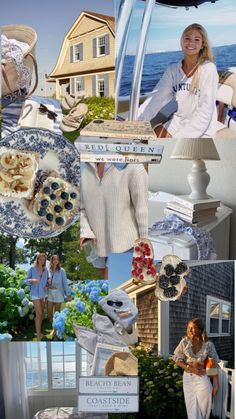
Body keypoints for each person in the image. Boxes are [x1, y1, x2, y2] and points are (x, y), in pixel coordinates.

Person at [138, 23, 218, 138]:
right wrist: (135, 122)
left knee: (170, 151)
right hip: (178, 121)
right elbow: (156, 99)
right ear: (181, 41)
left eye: (196, 39)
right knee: (149, 141)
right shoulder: (172, 70)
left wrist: (178, 139)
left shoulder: (208, 69)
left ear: (202, 44)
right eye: (187, 38)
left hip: (202, 129)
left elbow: (205, 113)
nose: (191, 43)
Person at [80, 163, 148, 279]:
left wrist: (146, 251)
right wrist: (85, 230)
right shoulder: (86, 170)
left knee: (113, 289)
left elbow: (143, 209)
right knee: (108, 289)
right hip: (97, 247)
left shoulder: (134, 167)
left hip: (126, 246)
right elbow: (81, 208)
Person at [173, 318, 220, 419]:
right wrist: (191, 369)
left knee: (204, 408)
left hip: (202, 378)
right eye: (189, 327)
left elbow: (214, 362)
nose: (190, 330)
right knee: (191, 409)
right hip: (188, 378)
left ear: (200, 329)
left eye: (193, 328)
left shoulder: (208, 344)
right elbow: (177, 359)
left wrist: (216, 383)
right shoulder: (184, 342)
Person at [26, 253, 48, 341]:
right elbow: (26, 280)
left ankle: (39, 331)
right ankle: (38, 335)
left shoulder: (45, 270)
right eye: (41, 259)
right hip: (35, 294)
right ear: (37, 259)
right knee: (39, 314)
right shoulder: (32, 269)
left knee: (41, 314)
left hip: (43, 293)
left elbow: (46, 280)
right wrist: (32, 280)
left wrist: (47, 284)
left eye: (44, 260)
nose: (42, 261)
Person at [46, 255, 72, 323]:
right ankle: (51, 322)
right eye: (54, 259)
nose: (55, 261)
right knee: (49, 311)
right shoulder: (48, 270)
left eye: (57, 259)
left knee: (57, 311)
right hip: (50, 292)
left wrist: (68, 294)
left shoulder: (62, 270)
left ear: (58, 261)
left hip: (59, 292)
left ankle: (56, 324)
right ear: (51, 261)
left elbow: (65, 283)